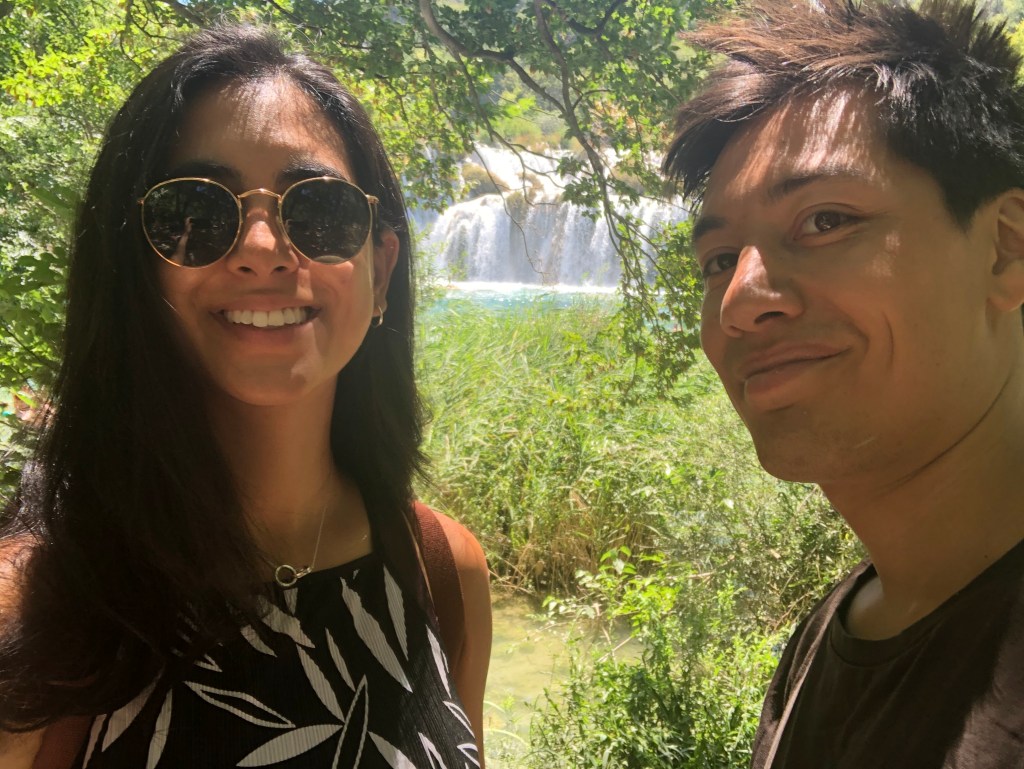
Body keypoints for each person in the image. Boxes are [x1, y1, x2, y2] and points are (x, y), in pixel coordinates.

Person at [0, 24, 491, 769]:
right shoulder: (34, 610)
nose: (262, 250)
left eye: (318, 210)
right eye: (194, 214)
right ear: (134, 268)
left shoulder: (444, 573)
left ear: (381, 272)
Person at [663, 0, 1024, 766]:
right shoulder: (832, 632)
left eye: (825, 220)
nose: (739, 300)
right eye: (719, 260)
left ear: (1005, 247)